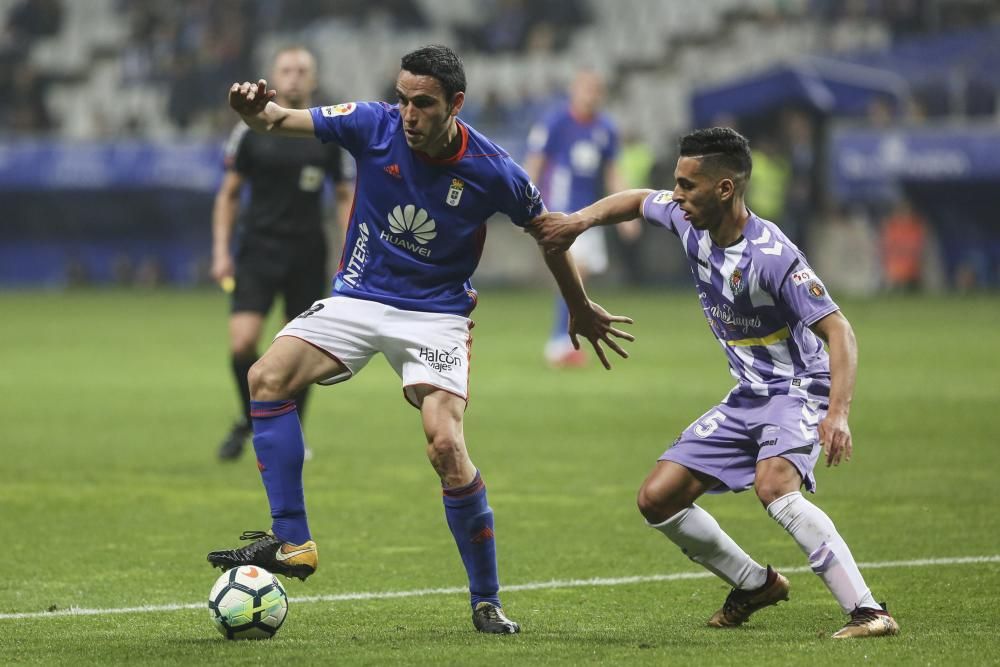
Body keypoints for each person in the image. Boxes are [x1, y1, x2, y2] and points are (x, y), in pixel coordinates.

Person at [206, 45, 633, 634]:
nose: (408, 113)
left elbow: (549, 234)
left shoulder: (494, 169)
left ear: (455, 104)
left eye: (423, 103)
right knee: (265, 377)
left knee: (445, 446)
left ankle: (486, 600)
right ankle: (293, 540)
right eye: (403, 98)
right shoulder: (372, 123)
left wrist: (579, 307)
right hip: (358, 297)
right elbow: (278, 120)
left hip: (436, 315)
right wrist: (250, 109)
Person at [530, 127, 900, 639]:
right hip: (748, 395)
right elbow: (638, 200)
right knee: (657, 498)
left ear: (724, 189)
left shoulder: (772, 256)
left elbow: (839, 330)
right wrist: (579, 221)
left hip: (797, 389)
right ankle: (754, 584)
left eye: (687, 185)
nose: (676, 196)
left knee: (775, 488)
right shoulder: (688, 222)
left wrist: (838, 412)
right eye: (676, 184)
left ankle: (868, 611)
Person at [211, 46, 354, 462]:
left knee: (299, 351)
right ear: (273, 76)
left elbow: (345, 197)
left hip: (307, 252)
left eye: (301, 71)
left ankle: (294, 436)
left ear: (313, 80)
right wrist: (221, 251)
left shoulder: (327, 131)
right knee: (243, 344)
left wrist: (351, 253)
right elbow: (230, 194)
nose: (293, 77)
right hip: (258, 249)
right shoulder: (250, 129)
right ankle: (252, 419)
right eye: (286, 70)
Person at [524, 68, 639, 367]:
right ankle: (560, 343)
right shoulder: (556, 122)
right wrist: (524, 205)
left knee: (577, 277)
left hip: (591, 214)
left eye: (596, 89)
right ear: (574, 89)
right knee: (578, 272)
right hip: (562, 210)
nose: (592, 94)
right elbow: (535, 163)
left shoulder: (606, 129)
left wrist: (629, 215)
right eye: (587, 88)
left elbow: (613, 172)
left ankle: (562, 340)